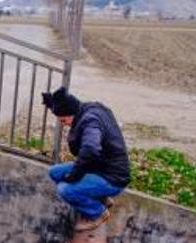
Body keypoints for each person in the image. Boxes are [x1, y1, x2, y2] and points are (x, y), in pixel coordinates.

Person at [42, 87, 130, 231]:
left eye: (63, 120)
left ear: (71, 113)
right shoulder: (86, 109)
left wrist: (75, 175)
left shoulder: (90, 121)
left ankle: (98, 212)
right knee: (54, 172)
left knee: (64, 190)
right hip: (99, 167)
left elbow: (90, 149)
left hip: (113, 177)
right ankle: (97, 197)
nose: (64, 124)